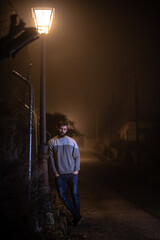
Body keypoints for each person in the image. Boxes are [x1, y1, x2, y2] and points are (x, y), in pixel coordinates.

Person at [48, 120, 82, 226]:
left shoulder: (72, 141)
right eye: (61, 129)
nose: (63, 131)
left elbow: (77, 156)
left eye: (65, 129)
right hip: (60, 174)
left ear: (66, 129)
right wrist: (55, 172)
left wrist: (76, 170)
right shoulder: (52, 142)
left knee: (75, 195)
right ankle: (77, 215)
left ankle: (76, 218)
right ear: (57, 128)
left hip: (72, 173)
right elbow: (51, 159)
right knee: (62, 196)